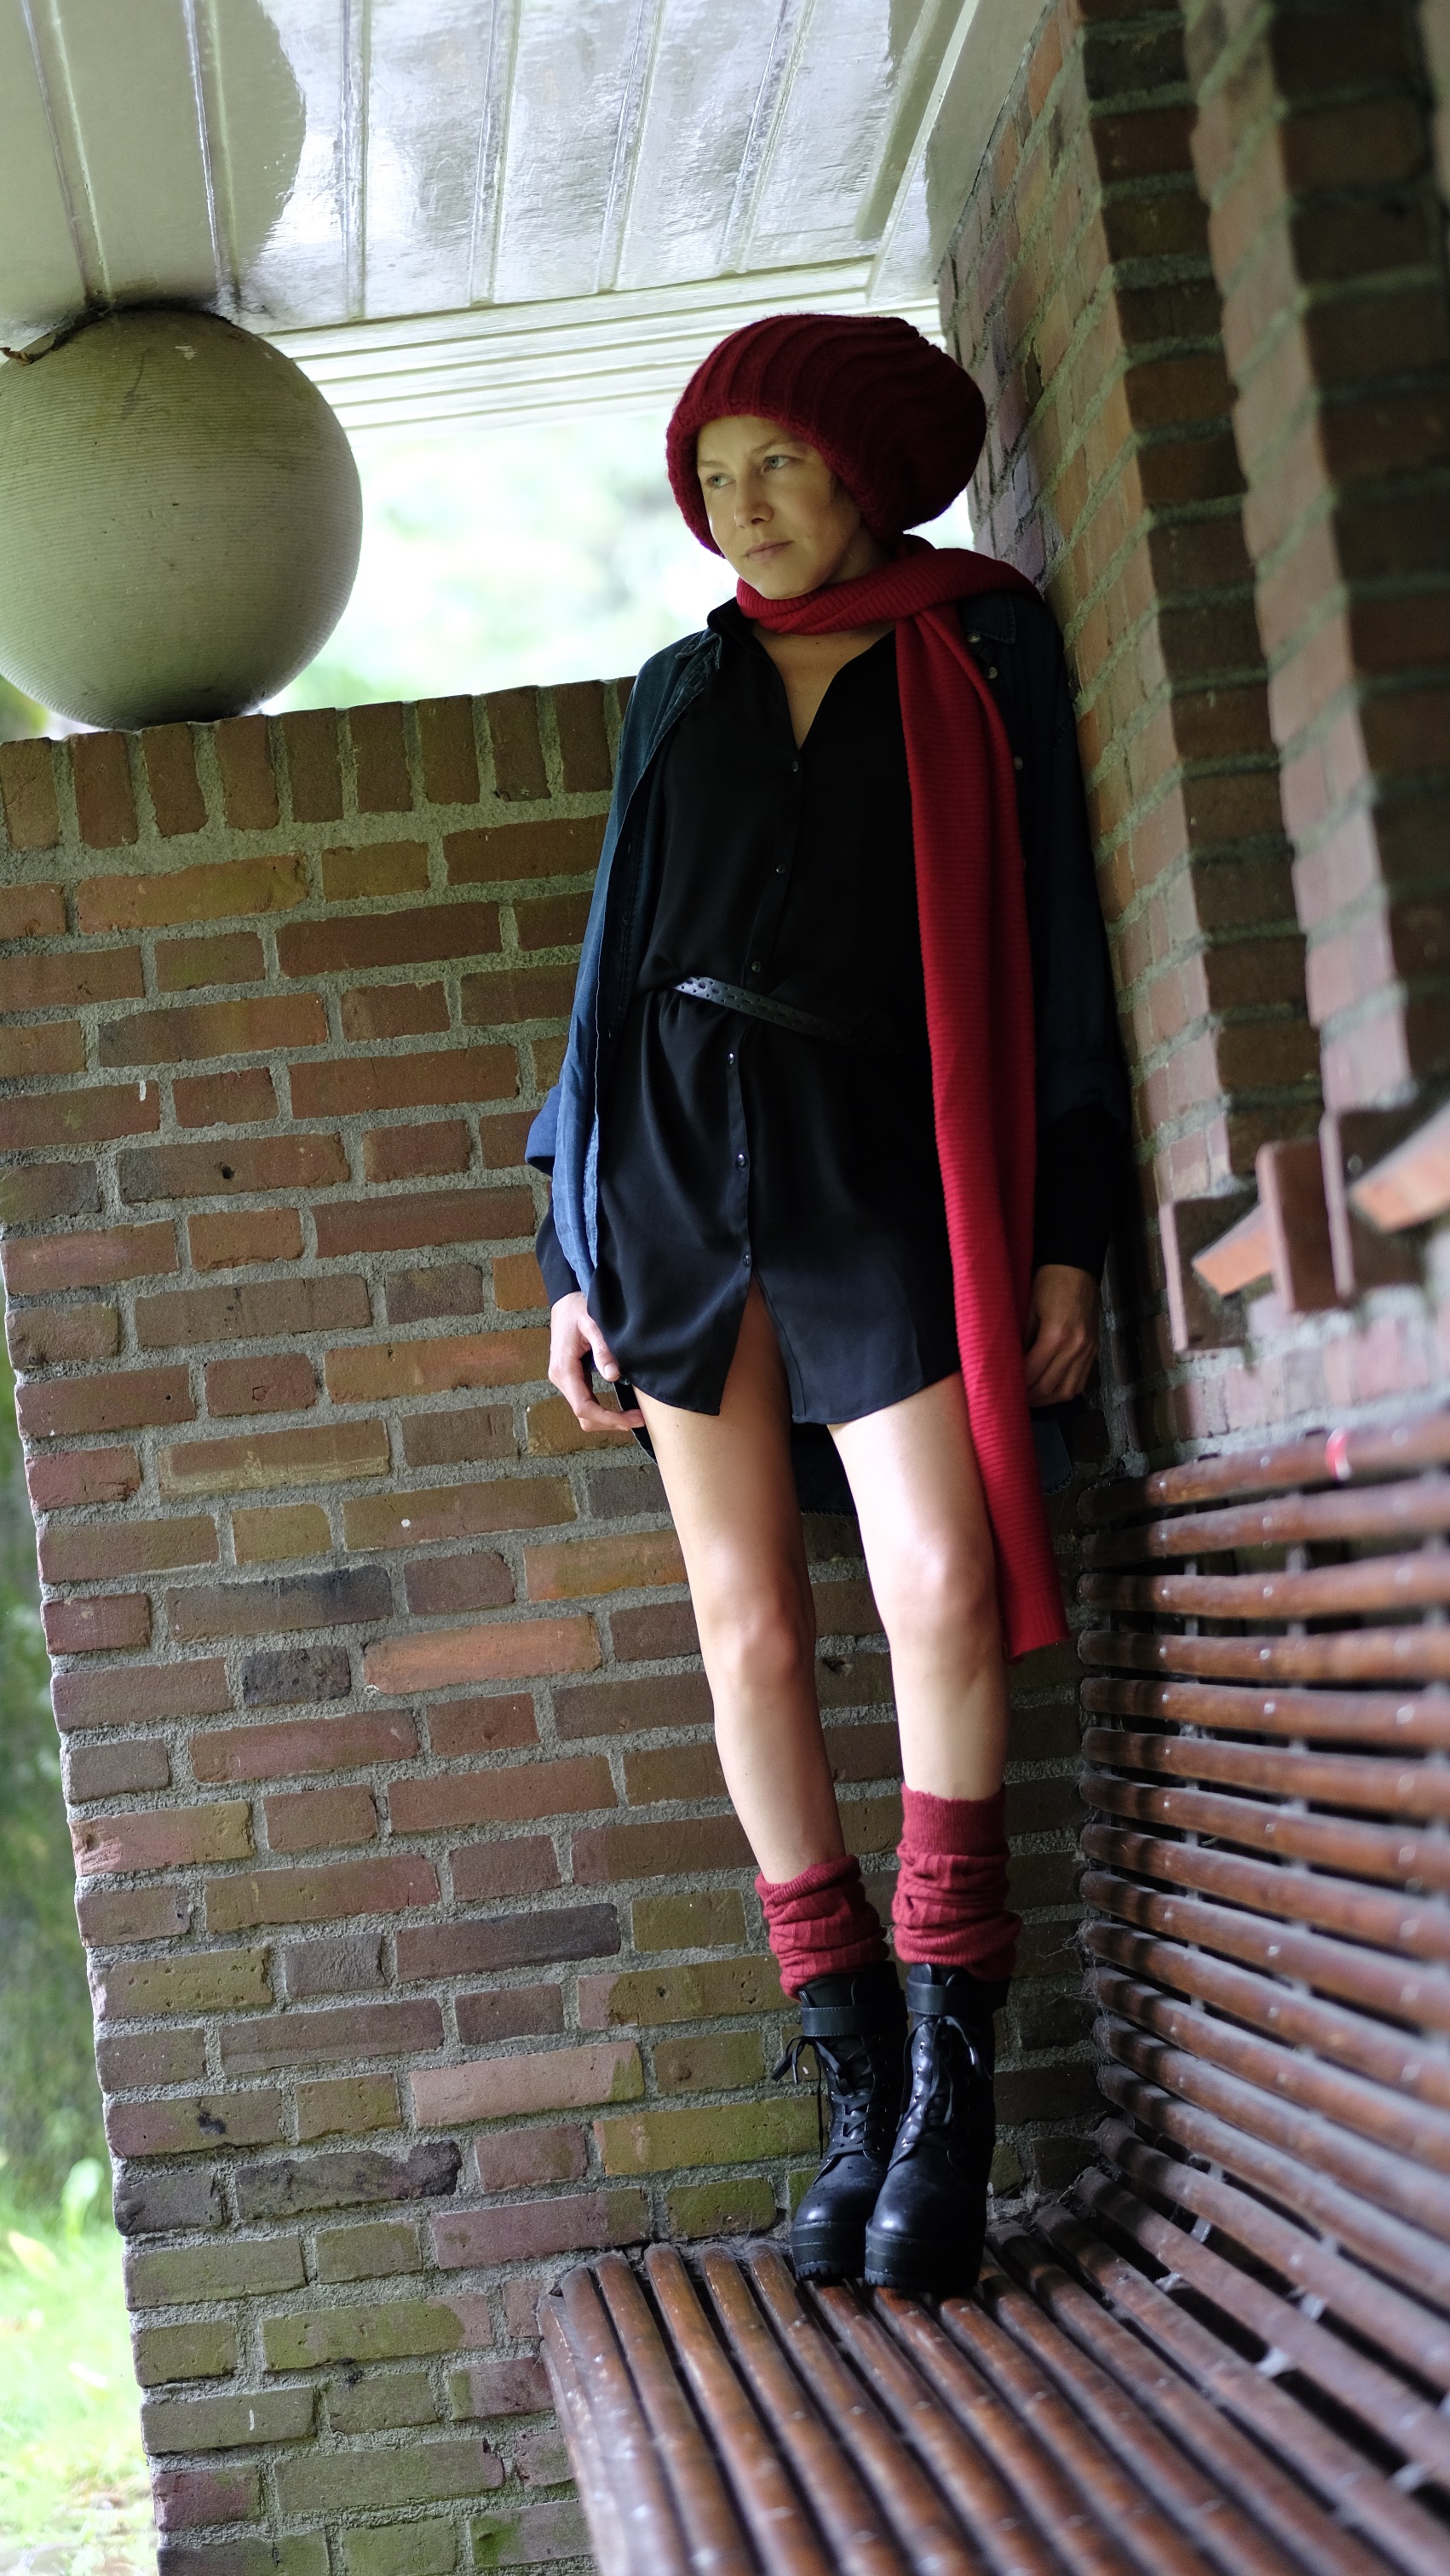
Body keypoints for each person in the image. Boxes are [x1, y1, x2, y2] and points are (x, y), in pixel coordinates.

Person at [526, 312, 1127, 2296]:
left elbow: (1052, 944)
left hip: (881, 1160)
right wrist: (566, 1252)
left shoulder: (981, 647)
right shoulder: (677, 689)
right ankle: (858, 2093)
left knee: (936, 1580)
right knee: (748, 1625)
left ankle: (954, 2089)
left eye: (774, 463)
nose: (740, 507)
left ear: (865, 471)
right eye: (712, 479)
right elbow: (607, 966)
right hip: (666, 1169)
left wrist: (1064, 1234)